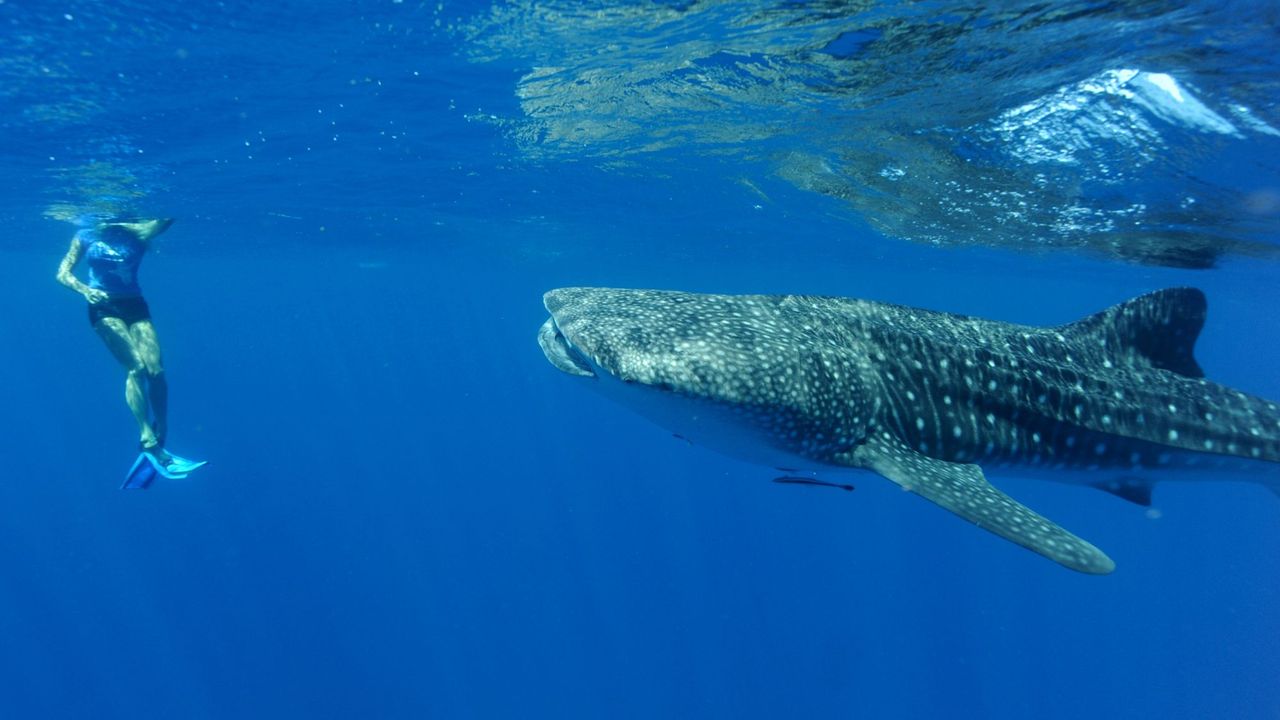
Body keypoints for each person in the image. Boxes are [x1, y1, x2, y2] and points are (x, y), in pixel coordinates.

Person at [56, 217, 177, 463]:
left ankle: (161, 427)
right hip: (102, 306)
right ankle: (145, 433)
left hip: (135, 305)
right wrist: (85, 290)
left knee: (156, 370)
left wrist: (127, 225)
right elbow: (62, 273)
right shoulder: (86, 233)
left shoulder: (140, 232)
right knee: (136, 368)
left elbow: (167, 219)